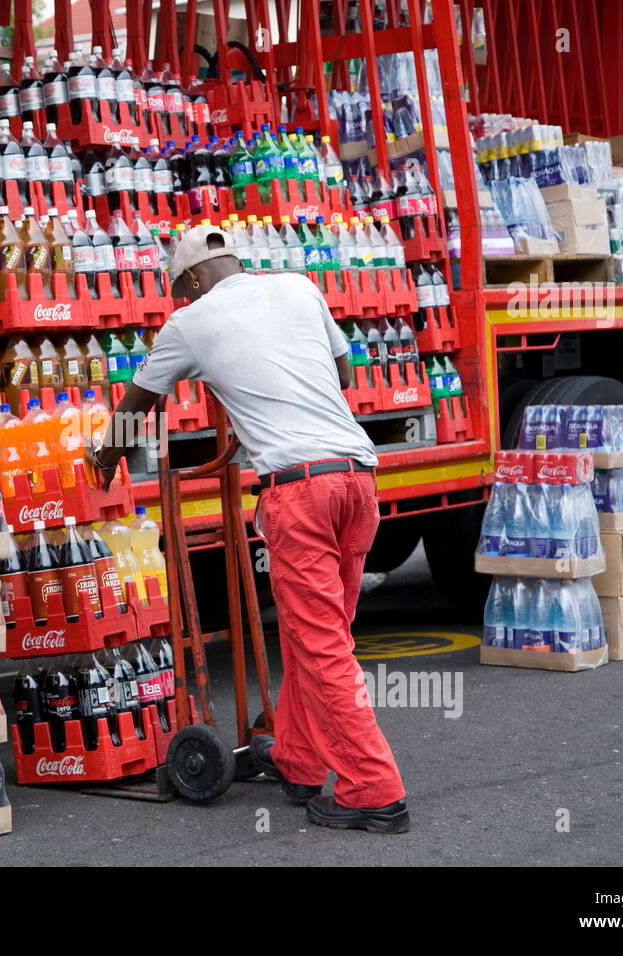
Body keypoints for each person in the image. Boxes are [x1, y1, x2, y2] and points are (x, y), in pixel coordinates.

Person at [87, 223, 408, 834]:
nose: (181, 300)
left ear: (188, 281)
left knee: (321, 646)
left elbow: (138, 409)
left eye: (178, 290)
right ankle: (299, 759)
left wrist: (105, 458)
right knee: (314, 633)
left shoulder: (187, 323)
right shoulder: (297, 287)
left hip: (299, 492)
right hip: (357, 476)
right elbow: (341, 370)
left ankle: (374, 789)